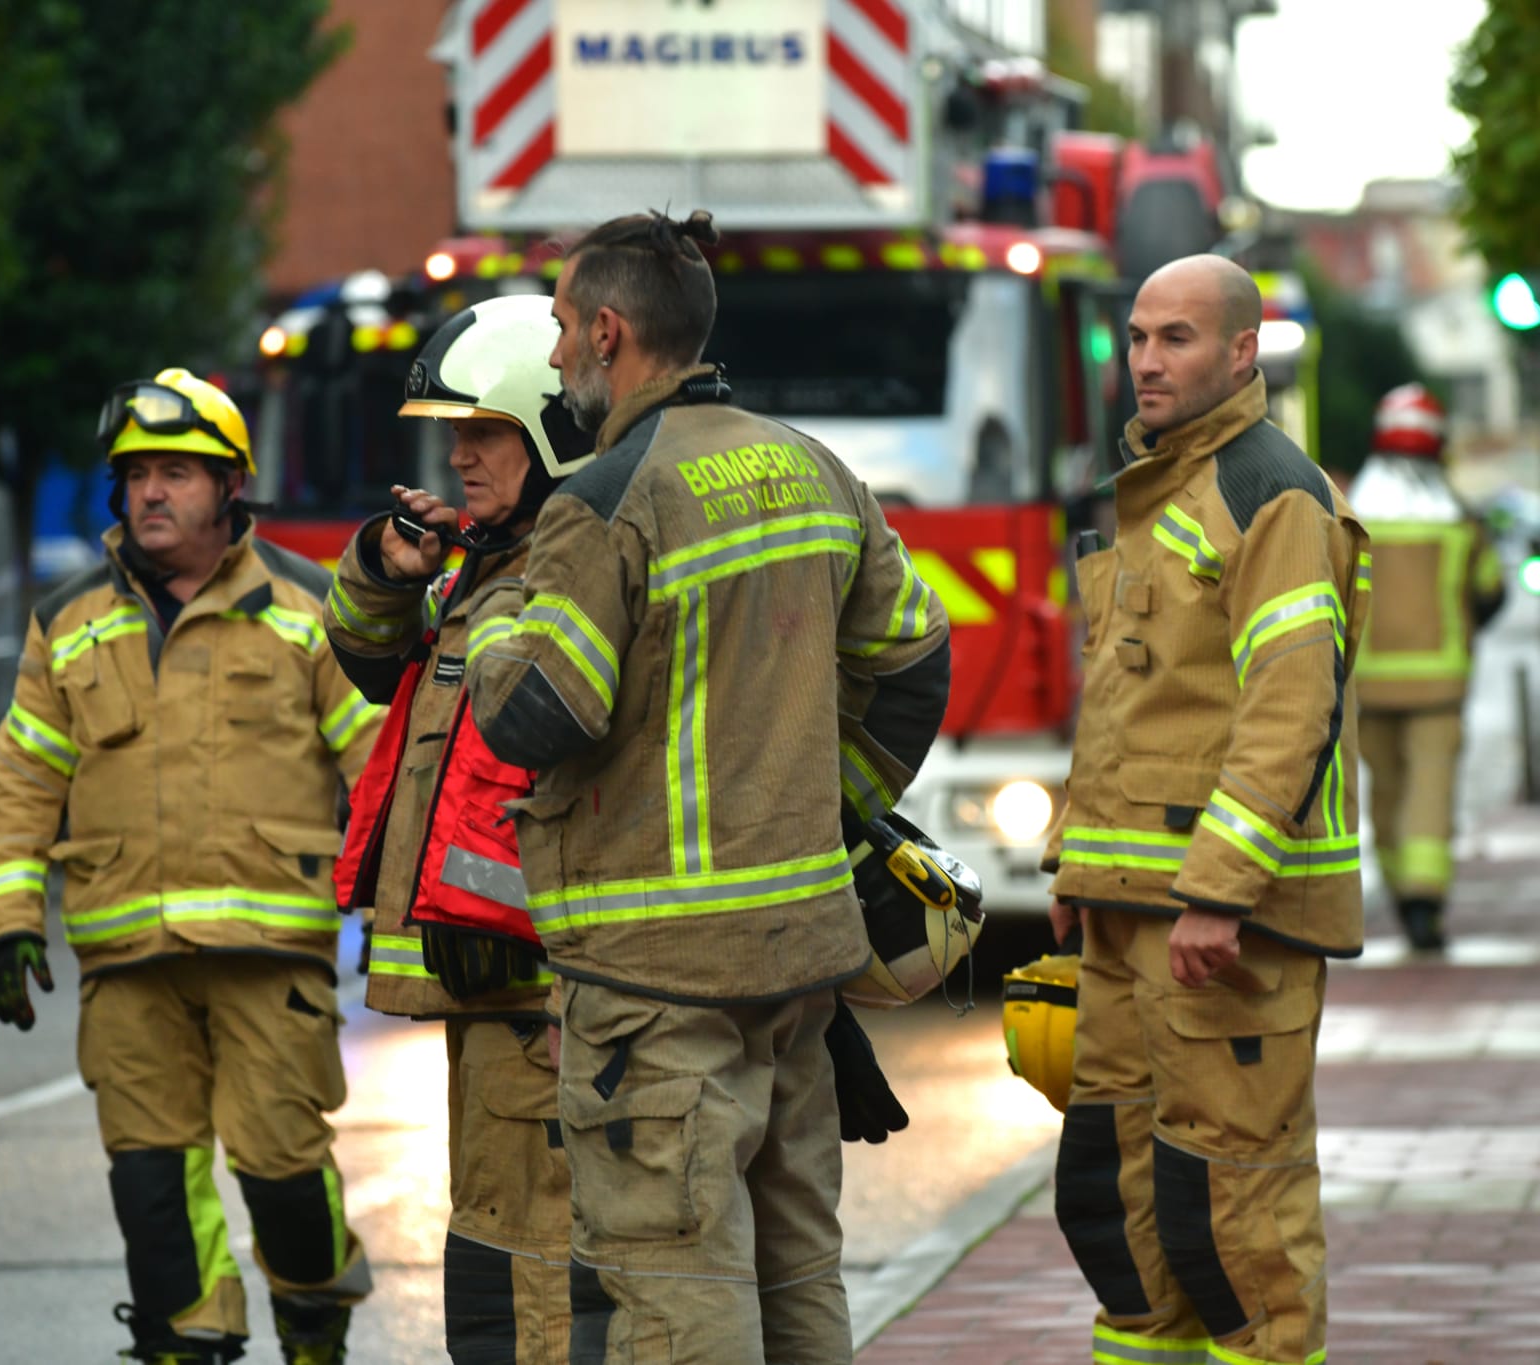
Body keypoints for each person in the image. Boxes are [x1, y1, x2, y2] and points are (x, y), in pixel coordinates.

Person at [462, 210, 950, 1364]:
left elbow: (546, 709)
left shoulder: (602, 501)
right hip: (796, 960)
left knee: (675, 1297)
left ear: (611, 331)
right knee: (794, 1284)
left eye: (565, 331)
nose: (561, 357)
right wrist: (823, 806)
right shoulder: (809, 464)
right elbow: (914, 666)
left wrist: (492, 632)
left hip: (653, 985)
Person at [0, 369, 383, 1365]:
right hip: (125, 958)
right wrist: (4, 922)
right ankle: (186, 1340)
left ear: (231, 486)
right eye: (137, 474)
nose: (152, 492)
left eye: (179, 474)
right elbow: (20, 781)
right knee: (150, 1184)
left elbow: (380, 774)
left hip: (270, 956)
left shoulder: (308, 608)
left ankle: (313, 1318)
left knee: (284, 1173)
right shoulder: (67, 623)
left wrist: (410, 918)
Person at [1040, 255, 1370, 1365]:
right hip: (1129, 911)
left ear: (1242, 351)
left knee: (1234, 1221)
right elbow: (1135, 699)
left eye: (1174, 338)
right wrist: (1072, 869)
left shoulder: (1268, 493)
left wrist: (1219, 895)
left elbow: (1287, 711)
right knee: (1121, 1209)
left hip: (1221, 929)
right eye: (1135, 337)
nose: (1143, 361)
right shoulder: (1164, 485)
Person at [322, 294, 594, 1361]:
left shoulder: (573, 577)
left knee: (528, 1264)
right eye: (453, 436)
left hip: (544, 995)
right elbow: (371, 665)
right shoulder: (490, 566)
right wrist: (390, 571)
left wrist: (581, 989)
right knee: (489, 1244)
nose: (459, 459)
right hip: (491, 995)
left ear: (549, 434)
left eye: (482, 433)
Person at [1350, 383, 1505, 951]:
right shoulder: (1460, 519)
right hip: (1441, 682)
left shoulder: (1350, 516)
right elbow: (1489, 592)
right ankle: (1424, 901)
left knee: (1385, 791)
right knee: (1430, 789)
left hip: (1367, 684)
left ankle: (1398, 889)